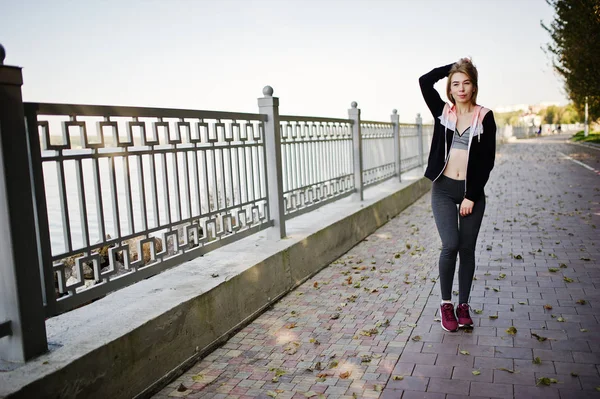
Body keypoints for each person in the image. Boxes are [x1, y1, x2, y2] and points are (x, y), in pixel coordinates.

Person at [419, 58, 496, 332]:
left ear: (474, 87)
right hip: (443, 189)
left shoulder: (484, 116)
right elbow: (424, 81)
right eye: (455, 84)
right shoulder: (443, 112)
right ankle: (445, 304)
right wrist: (452, 67)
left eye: (466, 83)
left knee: (467, 248)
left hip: (471, 193)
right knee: (450, 244)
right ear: (450, 88)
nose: (461, 88)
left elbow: (487, 160)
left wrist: (472, 196)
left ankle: (463, 305)